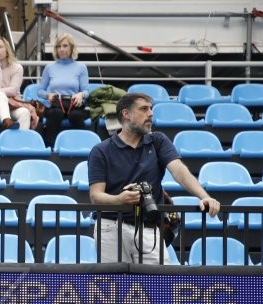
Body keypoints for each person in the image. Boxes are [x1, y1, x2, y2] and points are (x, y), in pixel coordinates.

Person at [88, 92, 221, 264]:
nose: (150, 113)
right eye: (143, 109)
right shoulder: (101, 150)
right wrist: (119, 199)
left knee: (158, 287)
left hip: (149, 227)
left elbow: (179, 170)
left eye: (151, 109)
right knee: (115, 287)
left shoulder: (158, 141)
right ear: (126, 114)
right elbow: (95, 196)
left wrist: (204, 196)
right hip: (110, 226)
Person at [37, 33, 89, 147]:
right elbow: (40, 91)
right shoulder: (50, 67)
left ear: (72, 48)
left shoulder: (81, 67)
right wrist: (48, 95)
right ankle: (49, 147)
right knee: (56, 113)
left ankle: (83, 146)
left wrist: (81, 95)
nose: (61, 49)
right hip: (56, 105)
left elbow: (86, 91)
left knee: (75, 116)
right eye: (58, 46)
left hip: (74, 105)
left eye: (65, 46)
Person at [0, 36, 38, 131]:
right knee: (0, 95)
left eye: (0, 46)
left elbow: (13, 90)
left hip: (13, 106)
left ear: (7, 51)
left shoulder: (17, 68)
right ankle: (7, 121)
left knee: (25, 113)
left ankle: (20, 144)